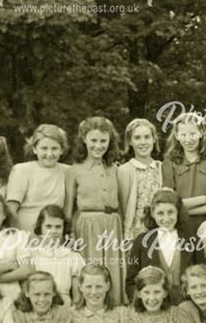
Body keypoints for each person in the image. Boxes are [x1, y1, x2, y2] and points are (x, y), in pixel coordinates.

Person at [65, 116, 127, 305]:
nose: (98, 146)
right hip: (86, 227)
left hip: (112, 225)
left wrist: (124, 232)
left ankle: (114, 311)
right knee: (90, 272)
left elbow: (122, 206)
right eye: (93, 140)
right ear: (84, 139)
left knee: (112, 270)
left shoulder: (115, 169)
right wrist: (70, 235)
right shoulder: (74, 170)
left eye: (103, 141)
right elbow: (68, 208)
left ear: (110, 141)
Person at [125, 188, 200, 305]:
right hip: (154, 307)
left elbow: (203, 273)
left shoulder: (192, 240)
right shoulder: (141, 241)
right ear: (153, 214)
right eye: (160, 213)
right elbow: (131, 280)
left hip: (186, 306)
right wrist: (142, 303)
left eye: (170, 212)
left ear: (177, 212)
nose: (166, 218)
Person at [161, 112, 206, 238]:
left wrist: (181, 209)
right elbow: (168, 202)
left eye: (192, 134)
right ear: (177, 136)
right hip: (179, 226)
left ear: (201, 133)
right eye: (183, 134)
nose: (188, 139)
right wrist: (204, 199)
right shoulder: (169, 162)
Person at [7, 124, 71, 232]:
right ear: (34, 149)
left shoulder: (68, 172)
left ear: (62, 150)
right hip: (25, 233)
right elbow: (11, 209)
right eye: (44, 148)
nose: (49, 154)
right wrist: (16, 237)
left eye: (54, 148)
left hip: (55, 234)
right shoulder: (22, 170)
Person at [27, 205, 85, 306]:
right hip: (38, 304)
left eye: (58, 227)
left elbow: (77, 297)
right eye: (48, 226)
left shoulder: (73, 257)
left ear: (64, 228)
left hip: (64, 305)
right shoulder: (31, 255)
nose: (53, 231)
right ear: (40, 227)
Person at [118, 118, 163, 239]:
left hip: (160, 231)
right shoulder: (125, 170)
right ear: (130, 141)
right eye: (137, 138)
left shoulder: (161, 168)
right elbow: (122, 207)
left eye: (147, 137)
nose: (143, 142)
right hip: (134, 234)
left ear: (154, 139)